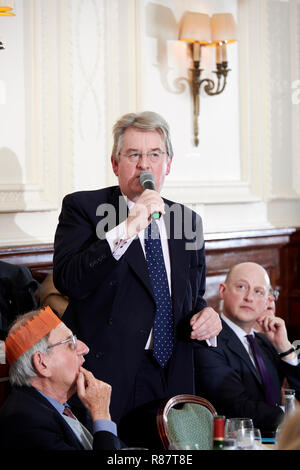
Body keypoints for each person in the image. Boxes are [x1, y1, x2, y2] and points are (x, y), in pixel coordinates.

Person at [53, 111, 222, 448]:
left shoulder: (188, 220)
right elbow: (69, 280)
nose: (145, 165)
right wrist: (128, 227)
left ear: (168, 164)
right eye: (134, 155)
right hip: (106, 377)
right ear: (116, 164)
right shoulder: (84, 208)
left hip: (171, 376)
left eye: (155, 154)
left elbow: (194, 297)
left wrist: (210, 318)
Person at [194, 262, 300, 437]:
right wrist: (292, 416)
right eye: (242, 287)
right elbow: (236, 406)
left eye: (258, 291)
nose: (249, 297)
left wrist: (285, 348)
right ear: (222, 290)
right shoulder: (208, 341)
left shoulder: (266, 342)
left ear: (268, 301)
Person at [0, 306, 123, 450]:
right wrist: (101, 414)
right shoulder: (25, 423)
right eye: (70, 343)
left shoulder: (67, 406)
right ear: (42, 363)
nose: (85, 348)